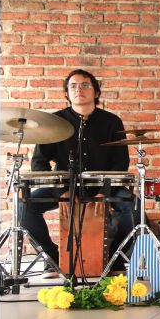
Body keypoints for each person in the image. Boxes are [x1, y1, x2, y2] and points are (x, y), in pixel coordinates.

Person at [23, 69, 139, 277]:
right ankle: (52, 258)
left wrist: (104, 191)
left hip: (103, 185)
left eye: (85, 85)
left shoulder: (112, 122)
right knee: (25, 207)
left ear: (96, 92)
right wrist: (61, 192)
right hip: (64, 187)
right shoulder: (54, 121)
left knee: (134, 208)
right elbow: (39, 162)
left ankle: (113, 260)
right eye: (73, 86)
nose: (79, 89)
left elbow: (120, 162)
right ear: (66, 93)